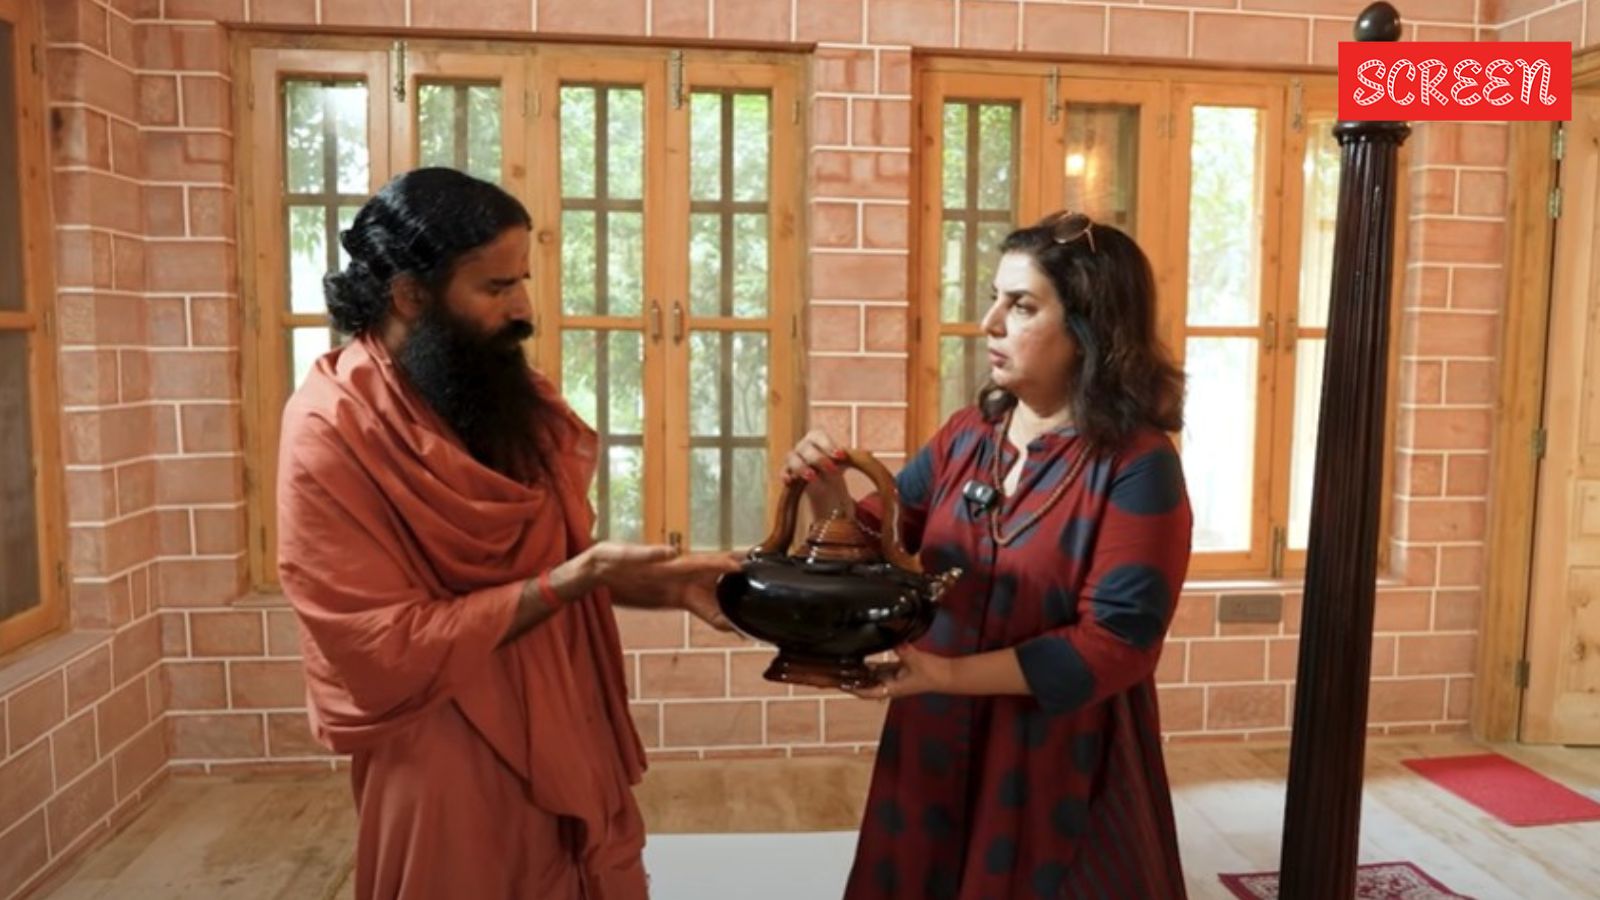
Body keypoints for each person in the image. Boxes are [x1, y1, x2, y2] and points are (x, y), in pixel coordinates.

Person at [275, 167, 738, 900]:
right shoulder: (331, 427)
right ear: (409, 294)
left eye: (522, 280)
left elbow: (545, 566)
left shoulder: (499, 391)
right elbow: (377, 647)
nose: (524, 309)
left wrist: (654, 586)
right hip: (443, 745)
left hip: (561, 707)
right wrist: (575, 580)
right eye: (496, 288)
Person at [786, 211, 1194, 899]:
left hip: (1056, 758)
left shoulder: (1138, 465)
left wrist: (944, 674)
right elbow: (868, 551)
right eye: (995, 297)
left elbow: (1116, 643)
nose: (990, 322)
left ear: (1091, 327)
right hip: (934, 736)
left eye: (1022, 305)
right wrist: (823, 487)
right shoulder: (967, 435)